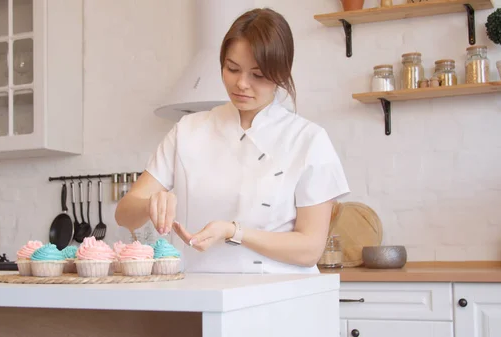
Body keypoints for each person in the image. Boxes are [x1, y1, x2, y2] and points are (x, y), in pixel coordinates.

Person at [115, 8, 349, 274]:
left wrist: (234, 232)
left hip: (278, 297)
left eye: (257, 75)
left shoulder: (308, 140)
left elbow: (309, 249)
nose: (241, 84)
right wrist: (149, 203)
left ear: (281, 74)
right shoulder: (188, 130)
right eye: (232, 69)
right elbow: (124, 215)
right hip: (196, 293)